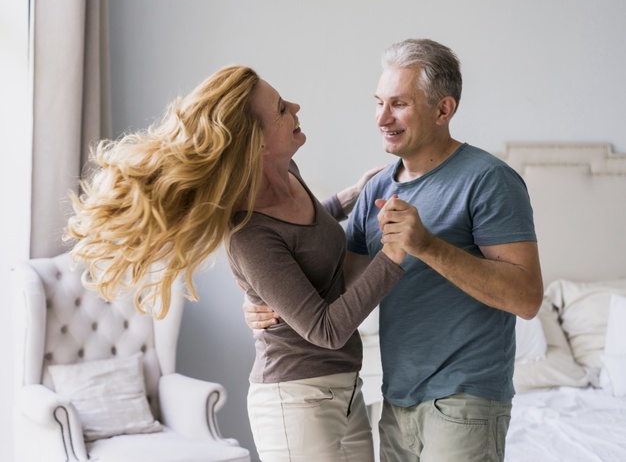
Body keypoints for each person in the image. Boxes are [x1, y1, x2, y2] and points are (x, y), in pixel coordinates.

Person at [64, 64, 408, 462]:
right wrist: (394, 253)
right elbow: (325, 330)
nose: (295, 106)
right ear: (257, 144)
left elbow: (310, 233)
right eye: (281, 109)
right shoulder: (248, 234)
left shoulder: (289, 174)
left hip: (344, 389)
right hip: (297, 403)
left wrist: (356, 193)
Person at [244, 39, 544, 462]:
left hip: (466, 400)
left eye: (399, 104)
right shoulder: (377, 191)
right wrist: (263, 295)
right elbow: (339, 290)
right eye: (379, 102)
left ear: (443, 110)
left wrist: (427, 246)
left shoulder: (488, 179)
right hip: (395, 401)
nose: (382, 118)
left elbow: (527, 298)